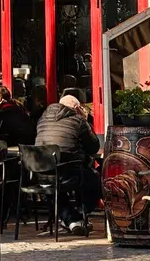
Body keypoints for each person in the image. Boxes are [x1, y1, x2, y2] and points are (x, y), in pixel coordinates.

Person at [35, 94, 101, 236]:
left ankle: (71, 221)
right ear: (77, 108)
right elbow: (93, 147)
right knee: (94, 178)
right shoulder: (78, 120)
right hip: (68, 173)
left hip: (41, 174)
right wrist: (85, 120)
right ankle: (79, 215)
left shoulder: (42, 120)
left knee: (54, 187)